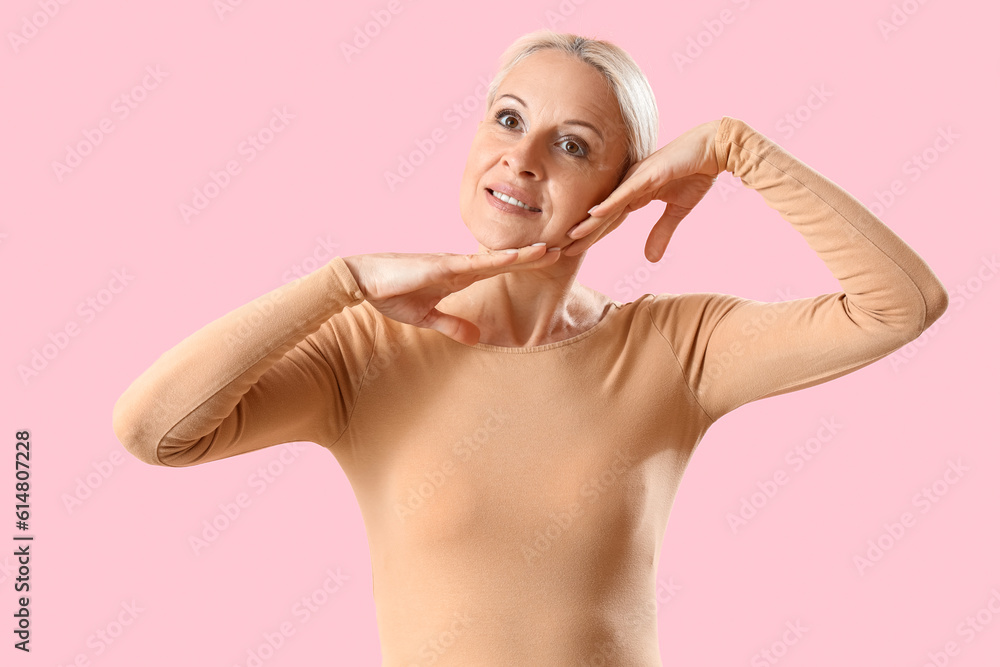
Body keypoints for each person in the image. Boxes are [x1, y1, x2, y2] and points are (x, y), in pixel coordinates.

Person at [112, 29, 949, 666]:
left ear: (627, 186)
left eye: (573, 143)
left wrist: (735, 147)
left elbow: (899, 306)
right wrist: (341, 282)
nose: (522, 156)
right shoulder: (365, 347)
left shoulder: (676, 349)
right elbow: (155, 432)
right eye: (508, 118)